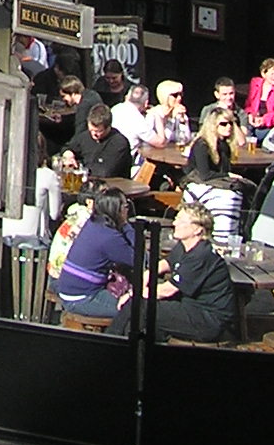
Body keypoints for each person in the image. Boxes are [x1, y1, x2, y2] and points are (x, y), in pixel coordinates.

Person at [118, 203, 235, 342]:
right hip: (190, 306)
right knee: (139, 317)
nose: (174, 223)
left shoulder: (200, 255)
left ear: (197, 229)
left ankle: (110, 343)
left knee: (139, 307)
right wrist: (147, 275)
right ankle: (131, 348)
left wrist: (133, 294)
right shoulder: (184, 246)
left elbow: (166, 290)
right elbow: (164, 264)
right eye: (176, 219)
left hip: (208, 319)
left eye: (181, 220)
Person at [53, 191, 138, 319]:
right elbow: (139, 259)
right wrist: (125, 224)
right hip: (81, 298)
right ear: (117, 210)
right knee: (136, 311)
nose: (127, 210)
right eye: (126, 206)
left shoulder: (93, 224)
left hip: (69, 288)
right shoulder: (109, 237)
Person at [183, 104, 246, 248]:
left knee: (242, 191)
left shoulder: (224, 145)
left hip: (215, 183)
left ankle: (233, 235)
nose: (228, 127)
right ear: (213, 126)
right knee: (232, 197)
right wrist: (228, 175)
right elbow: (204, 174)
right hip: (197, 184)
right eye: (223, 124)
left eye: (231, 123)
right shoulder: (202, 145)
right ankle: (222, 239)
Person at [66, 103, 136, 182]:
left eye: (98, 131)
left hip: (112, 185)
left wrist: (80, 167)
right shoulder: (85, 136)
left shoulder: (119, 143)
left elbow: (105, 172)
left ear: (108, 127)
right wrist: (68, 154)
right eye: (91, 130)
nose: (94, 134)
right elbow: (69, 147)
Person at [110, 82, 157, 156]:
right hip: (128, 158)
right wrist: (157, 115)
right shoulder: (138, 120)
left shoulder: (115, 109)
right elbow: (160, 142)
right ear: (146, 103)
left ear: (127, 97)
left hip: (111, 153)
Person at [245, 58, 274, 130]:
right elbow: (248, 105)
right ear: (263, 74)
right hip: (254, 121)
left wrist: (264, 120)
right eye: (272, 74)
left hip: (271, 125)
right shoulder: (255, 83)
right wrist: (250, 114)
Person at [145, 81, 193, 148]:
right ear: (165, 96)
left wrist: (182, 121)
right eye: (175, 95)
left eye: (181, 94)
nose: (179, 98)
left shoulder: (178, 112)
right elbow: (163, 141)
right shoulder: (153, 114)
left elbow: (185, 140)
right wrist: (171, 119)